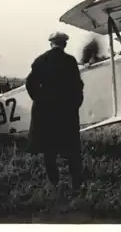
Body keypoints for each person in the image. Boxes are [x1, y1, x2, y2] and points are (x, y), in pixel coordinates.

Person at [25, 31, 85, 192]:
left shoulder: (41, 60)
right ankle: (76, 184)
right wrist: (75, 104)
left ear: (51, 43)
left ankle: (54, 182)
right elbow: (78, 86)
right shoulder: (70, 61)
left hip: (45, 113)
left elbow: (30, 84)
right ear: (64, 44)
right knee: (72, 149)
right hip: (66, 112)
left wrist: (40, 99)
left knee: (48, 149)